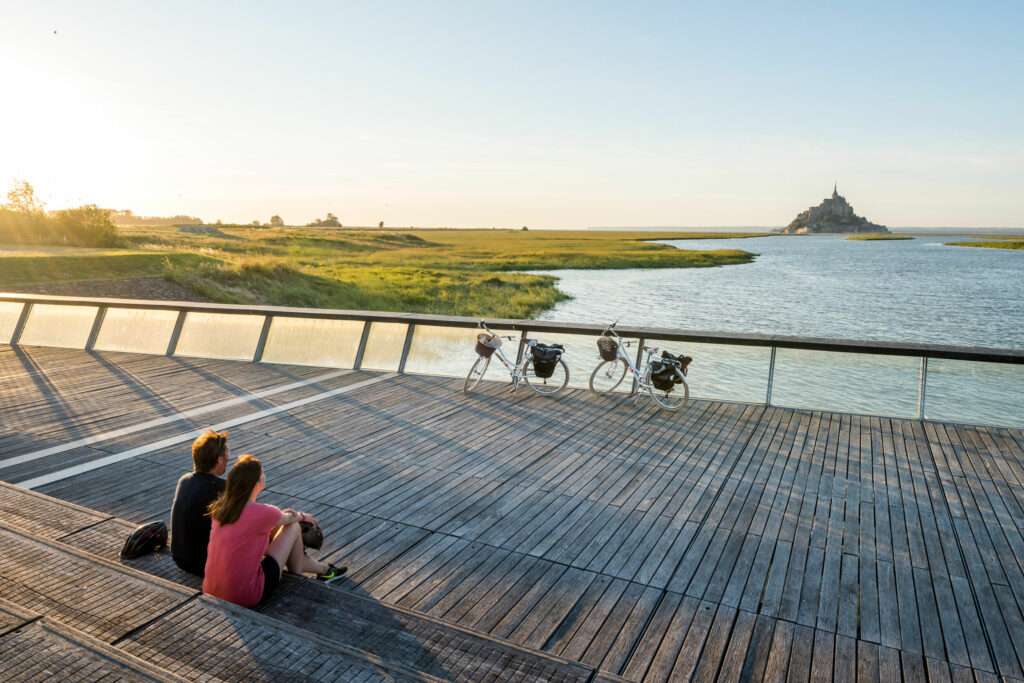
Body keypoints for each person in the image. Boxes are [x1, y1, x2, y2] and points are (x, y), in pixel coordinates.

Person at [203, 454, 345, 608]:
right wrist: (303, 516)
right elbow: (289, 520)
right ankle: (315, 572)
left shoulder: (221, 510)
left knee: (287, 526)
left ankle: (322, 569)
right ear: (256, 482)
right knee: (293, 527)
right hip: (245, 596)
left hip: (212, 590)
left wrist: (287, 517)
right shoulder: (263, 512)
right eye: (262, 472)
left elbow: (267, 521)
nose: (265, 474)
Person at [170, 430, 229, 576]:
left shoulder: (184, 480)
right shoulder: (222, 487)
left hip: (181, 559)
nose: (229, 456)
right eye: (227, 452)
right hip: (206, 565)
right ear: (220, 460)